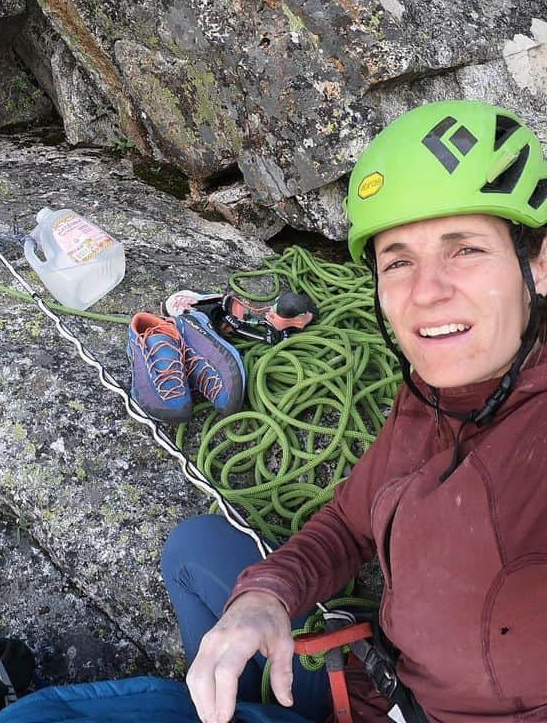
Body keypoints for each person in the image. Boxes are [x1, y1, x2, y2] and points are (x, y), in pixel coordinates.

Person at [164, 99, 547, 723]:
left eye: (466, 250)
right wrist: (263, 598)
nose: (426, 291)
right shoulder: (429, 396)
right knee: (195, 548)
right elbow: (349, 525)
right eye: (399, 261)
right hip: (378, 683)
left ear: (538, 264)